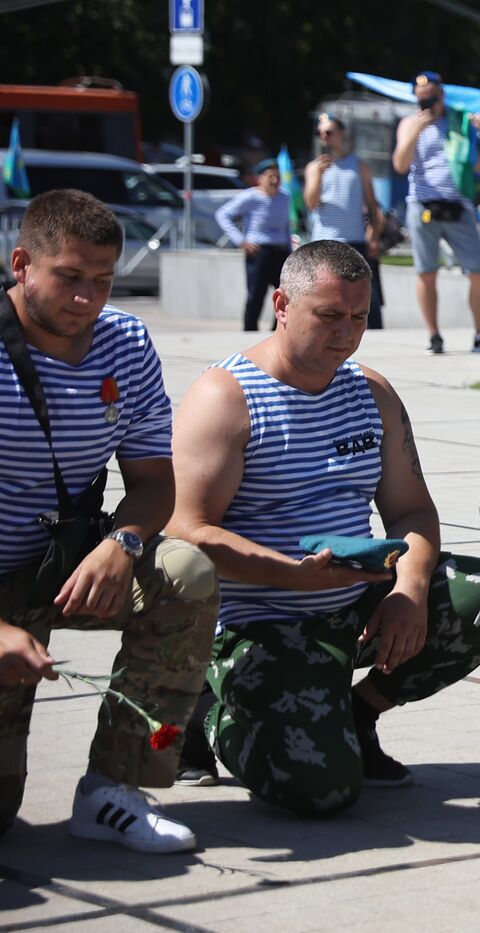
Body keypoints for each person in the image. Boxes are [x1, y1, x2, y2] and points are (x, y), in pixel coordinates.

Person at [167, 240, 480, 816]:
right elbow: (187, 530)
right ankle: (206, 710)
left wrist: (408, 593)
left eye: (359, 317)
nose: (347, 333)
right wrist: (290, 577)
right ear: (281, 303)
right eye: (329, 316)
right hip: (262, 620)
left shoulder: (370, 392)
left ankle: (357, 715)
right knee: (323, 791)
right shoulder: (226, 397)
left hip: (356, 602)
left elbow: (411, 512)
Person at [0, 189, 219, 852]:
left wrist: (122, 543)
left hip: (64, 562)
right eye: (68, 276)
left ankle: (116, 787)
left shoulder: (124, 341)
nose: (86, 297)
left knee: (184, 571)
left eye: (102, 280)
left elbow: (155, 483)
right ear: (21, 264)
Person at [391, 70, 480, 356]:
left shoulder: (461, 121)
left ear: (442, 94)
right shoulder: (409, 123)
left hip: (459, 205)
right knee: (426, 272)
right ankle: (434, 336)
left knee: (478, 271)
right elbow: (400, 164)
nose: (427, 104)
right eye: (421, 100)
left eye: (431, 98)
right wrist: (417, 130)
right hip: (423, 205)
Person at [305, 110, 387, 329]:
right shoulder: (315, 167)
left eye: (329, 132)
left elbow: (372, 204)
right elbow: (311, 203)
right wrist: (319, 175)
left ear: (342, 133)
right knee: (323, 292)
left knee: (365, 293)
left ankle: (374, 334)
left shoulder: (358, 166)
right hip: (324, 240)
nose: (324, 138)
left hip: (354, 240)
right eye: (320, 133)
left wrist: (375, 236)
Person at [215, 158, 292, 332]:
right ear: (260, 178)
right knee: (256, 295)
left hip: (280, 250)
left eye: (277, 177)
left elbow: (287, 225)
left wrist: (290, 248)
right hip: (259, 251)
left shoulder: (284, 197)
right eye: (270, 176)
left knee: (285, 293)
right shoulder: (250, 196)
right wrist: (240, 240)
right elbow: (223, 215)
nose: (274, 181)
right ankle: (250, 331)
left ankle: (279, 330)